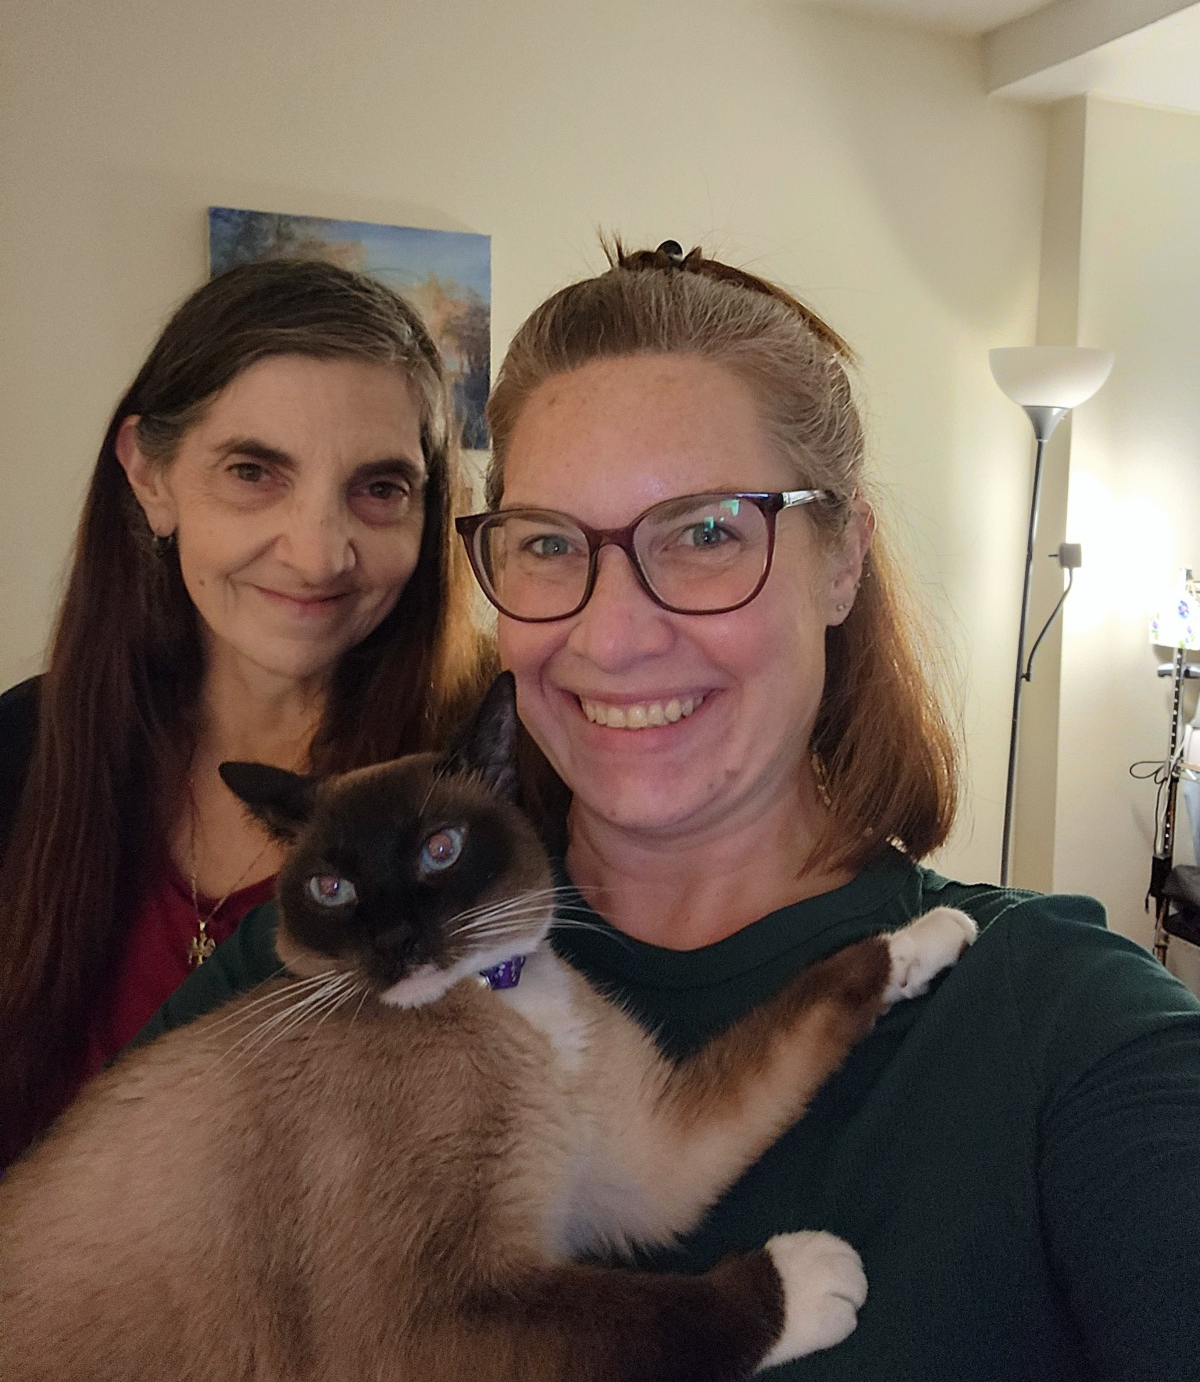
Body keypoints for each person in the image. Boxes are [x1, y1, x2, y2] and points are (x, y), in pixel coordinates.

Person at [135, 242, 1200, 1379]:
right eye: (550, 544)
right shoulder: (336, 958)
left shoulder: (1067, 1026)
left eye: (704, 534)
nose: (612, 636)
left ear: (842, 559)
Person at [0, 258, 487, 1167]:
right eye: (255, 471)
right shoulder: (22, 753)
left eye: (380, 488)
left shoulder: (484, 797)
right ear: (150, 476)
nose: (318, 554)